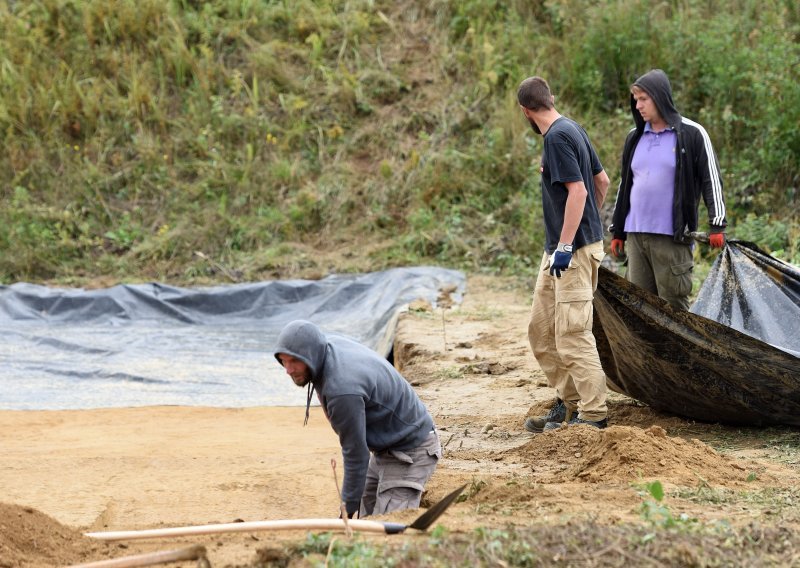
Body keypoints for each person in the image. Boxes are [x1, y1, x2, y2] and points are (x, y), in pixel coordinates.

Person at [273, 319, 441, 518]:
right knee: (365, 517)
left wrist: (347, 508)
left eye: (294, 361)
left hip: (412, 449)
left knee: (387, 527)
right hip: (386, 446)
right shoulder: (327, 348)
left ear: (311, 355)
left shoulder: (342, 391)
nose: (288, 369)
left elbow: (356, 453)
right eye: (284, 360)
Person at [517, 76, 611, 432]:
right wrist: (587, 230)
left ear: (525, 111)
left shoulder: (557, 137)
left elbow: (579, 191)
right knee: (540, 332)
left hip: (568, 252)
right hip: (558, 250)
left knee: (572, 335)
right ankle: (569, 404)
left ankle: (593, 415)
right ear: (550, 99)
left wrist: (571, 243)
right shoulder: (573, 128)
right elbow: (601, 182)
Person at [609, 68, 727, 310]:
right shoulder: (635, 136)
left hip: (672, 237)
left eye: (643, 99)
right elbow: (626, 184)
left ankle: (677, 351)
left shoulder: (691, 134)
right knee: (640, 309)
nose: (638, 105)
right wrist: (618, 230)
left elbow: (710, 179)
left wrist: (717, 224)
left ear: (660, 97)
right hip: (636, 236)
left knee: (673, 308)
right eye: (636, 100)